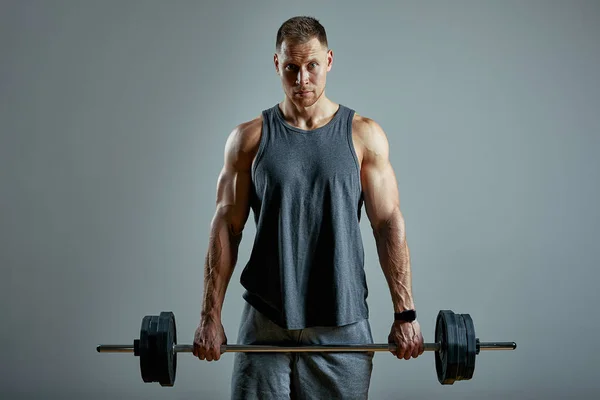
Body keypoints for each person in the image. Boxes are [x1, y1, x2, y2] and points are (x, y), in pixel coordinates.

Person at [193, 16, 424, 399]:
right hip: (267, 319)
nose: (302, 79)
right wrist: (209, 316)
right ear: (276, 64)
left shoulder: (363, 135)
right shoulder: (248, 139)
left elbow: (387, 225)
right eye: (291, 68)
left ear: (329, 60)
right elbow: (226, 228)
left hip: (342, 319)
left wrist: (406, 314)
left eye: (312, 66)